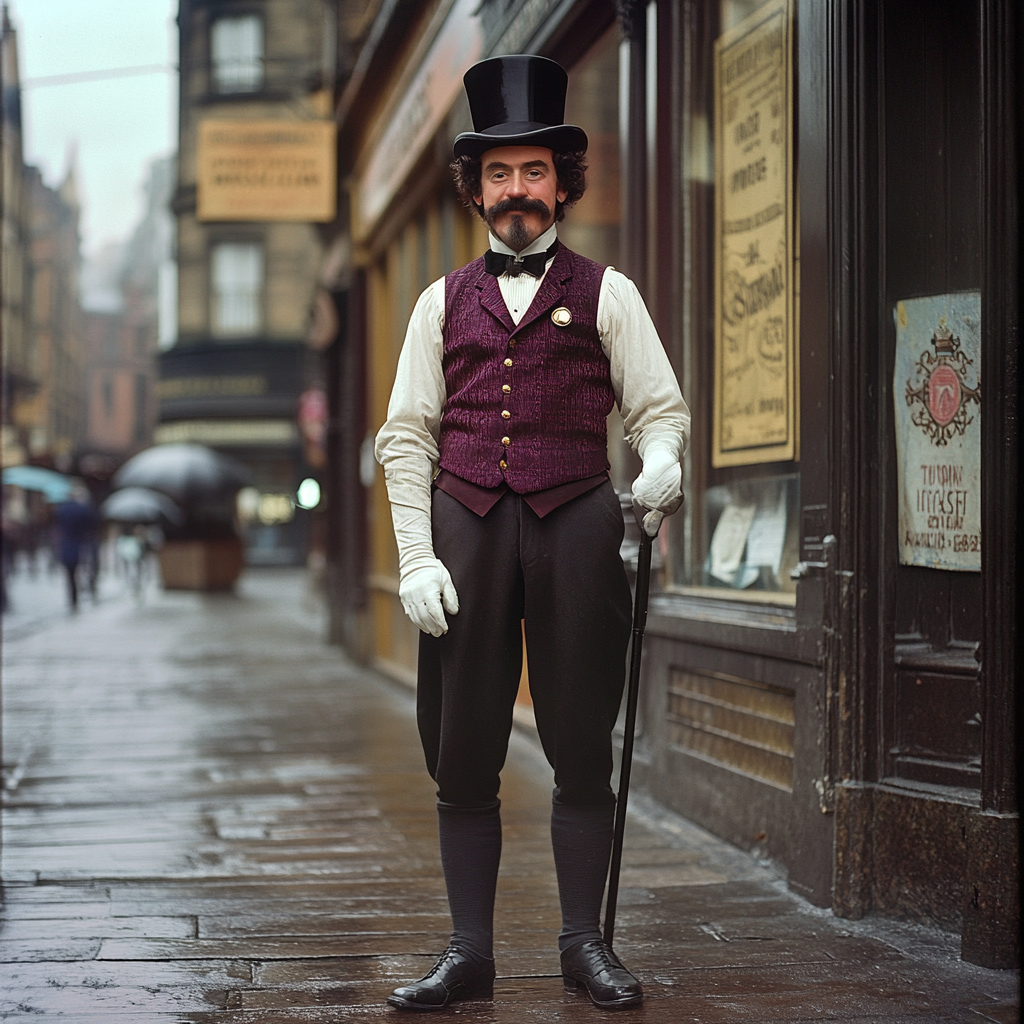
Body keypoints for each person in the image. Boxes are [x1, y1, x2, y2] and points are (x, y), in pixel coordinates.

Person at [375, 54, 690, 1012]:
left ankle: (580, 948)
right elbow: (405, 435)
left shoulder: (611, 293)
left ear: (562, 183)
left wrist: (664, 462)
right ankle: (468, 952)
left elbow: (660, 410)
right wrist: (416, 554)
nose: (518, 191)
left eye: (535, 172)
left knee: (580, 739)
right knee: (462, 746)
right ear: (477, 189)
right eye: (501, 174)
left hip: (580, 526)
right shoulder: (437, 302)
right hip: (465, 530)